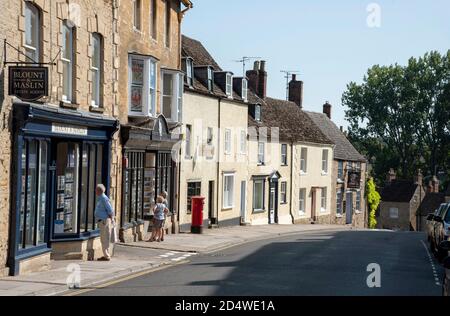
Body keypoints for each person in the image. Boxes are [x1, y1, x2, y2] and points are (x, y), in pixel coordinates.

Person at [94, 184, 115, 261]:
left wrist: (111, 219)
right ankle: (106, 254)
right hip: (102, 221)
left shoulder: (104, 198)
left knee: (104, 238)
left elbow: (110, 210)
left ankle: (106, 255)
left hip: (104, 221)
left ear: (99, 191)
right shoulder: (100, 198)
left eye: (96, 189)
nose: (95, 191)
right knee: (104, 238)